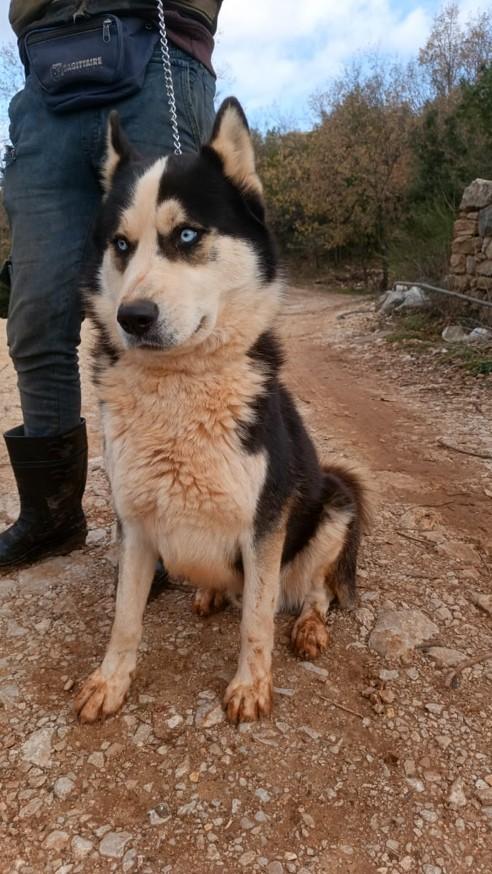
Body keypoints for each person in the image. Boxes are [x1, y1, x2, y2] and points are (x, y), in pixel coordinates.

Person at [1, 1, 221, 568]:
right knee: (36, 317)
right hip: (44, 77)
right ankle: (52, 516)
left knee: (164, 313)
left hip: (159, 50)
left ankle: (172, 518)